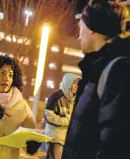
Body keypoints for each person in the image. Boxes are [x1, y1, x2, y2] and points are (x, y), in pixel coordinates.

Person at [63, 1, 130, 159]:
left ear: (93, 29)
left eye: (80, 28)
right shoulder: (94, 69)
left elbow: (114, 144)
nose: (78, 37)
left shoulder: (118, 70)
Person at [44, 73, 80, 159]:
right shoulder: (56, 96)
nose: (76, 86)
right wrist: (66, 121)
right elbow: (48, 115)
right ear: (68, 83)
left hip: (66, 138)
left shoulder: (74, 99)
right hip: (55, 138)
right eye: (73, 83)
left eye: (77, 84)